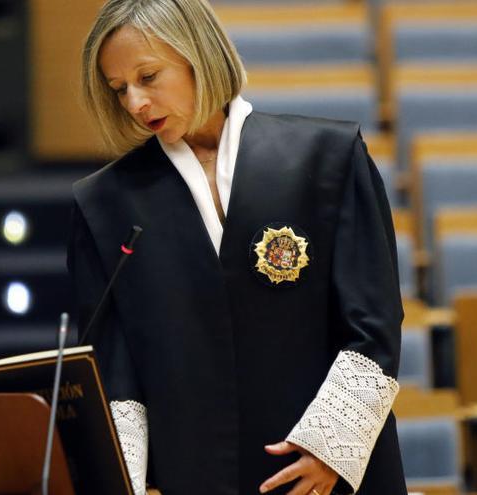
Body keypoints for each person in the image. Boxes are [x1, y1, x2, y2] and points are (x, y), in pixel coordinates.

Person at [67, 1, 406, 494]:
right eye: (120, 89)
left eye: (149, 76)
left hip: (329, 474)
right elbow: (113, 376)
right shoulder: (103, 204)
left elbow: (374, 324)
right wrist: (130, 486)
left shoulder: (328, 158)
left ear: (198, 55)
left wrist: (328, 449)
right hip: (189, 477)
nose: (136, 103)